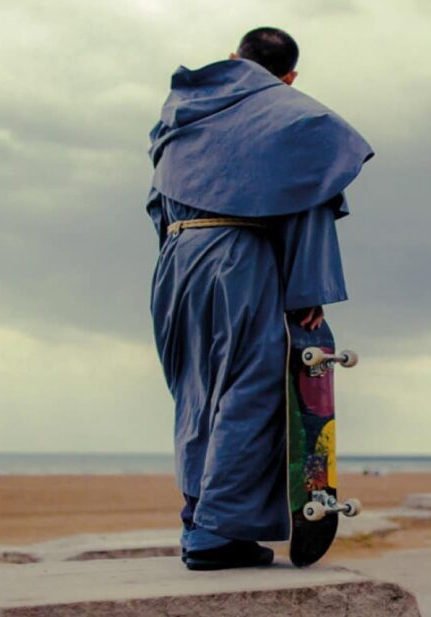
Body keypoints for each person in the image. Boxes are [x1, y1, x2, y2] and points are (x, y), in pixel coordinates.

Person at [145, 27, 373, 570]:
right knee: (252, 390)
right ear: (290, 76)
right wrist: (308, 293)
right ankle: (213, 535)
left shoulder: (181, 112)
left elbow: (157, 199)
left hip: (176, 262)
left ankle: (197, 514)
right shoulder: (292, 117)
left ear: (233, 59)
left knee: (196, 393)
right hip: (241, 260)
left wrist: (177, 268)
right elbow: (311, 199)